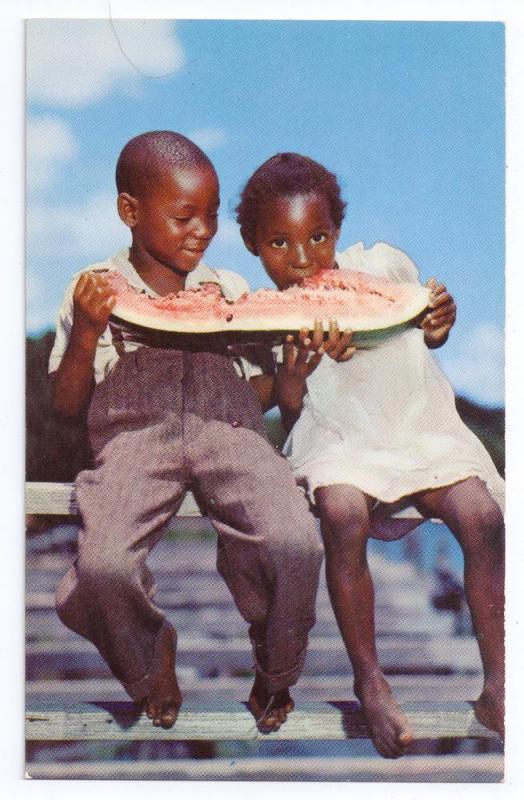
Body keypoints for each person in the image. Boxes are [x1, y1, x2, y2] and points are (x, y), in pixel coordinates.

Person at [48, 133, 323, 732]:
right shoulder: (94, 285)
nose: (202, 230)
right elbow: (68, 403)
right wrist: (90, 333)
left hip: (231, 430)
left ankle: (276, 673)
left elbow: (259, 394)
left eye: (212, 215)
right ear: (130, 211)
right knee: (102, 568)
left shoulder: (230, 289)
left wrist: (290, 369)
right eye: (183, 217)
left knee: (297, 543)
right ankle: (150, 662)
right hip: (133, 437)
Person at [235, 152, 505, 757]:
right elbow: (294, 411)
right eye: (280, 242)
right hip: (337, 440)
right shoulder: (263, 316)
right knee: (342, 513)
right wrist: (296, 372)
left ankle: (499, 680)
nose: (303, 259)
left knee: (484, 517)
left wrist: (440, 319)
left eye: (318, 237)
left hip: (419, 429)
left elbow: (424, 326)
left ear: (339, 227)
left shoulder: (383, 264)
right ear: (252, 244)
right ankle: (370, 679)